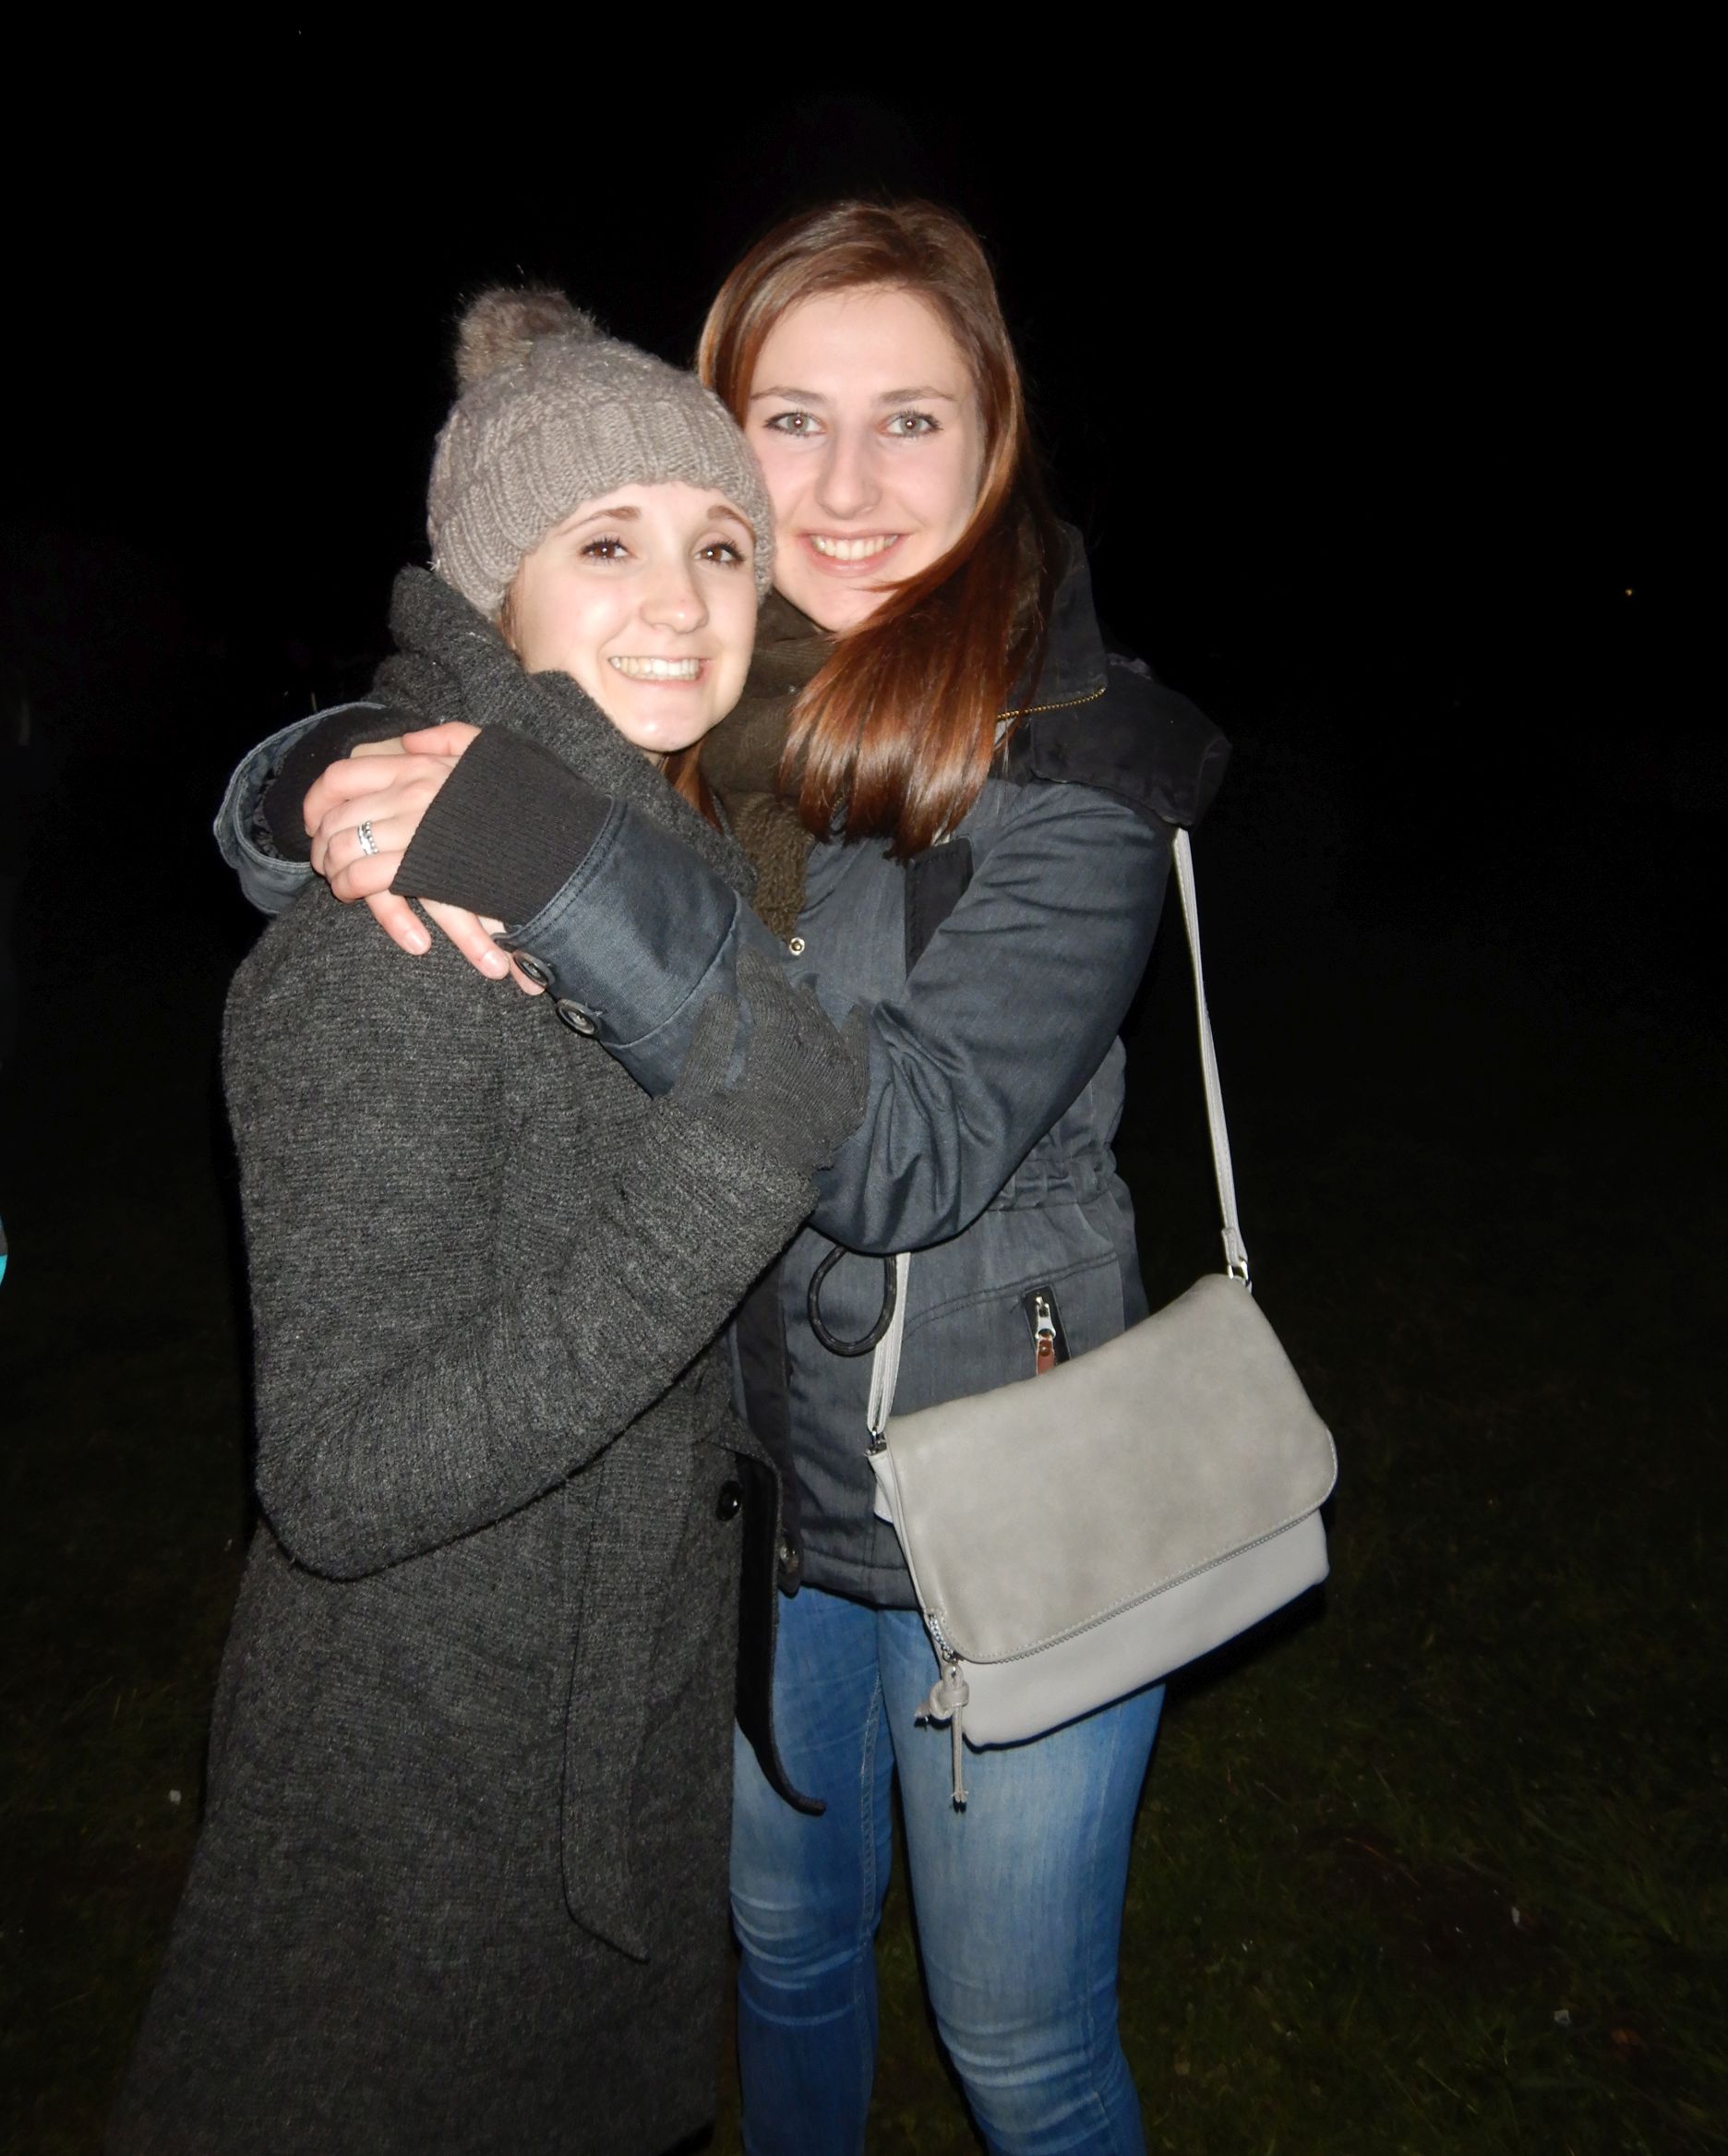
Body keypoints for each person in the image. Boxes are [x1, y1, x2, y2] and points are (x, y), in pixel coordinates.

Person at [215, 204, 1229, 2156]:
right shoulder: (704, 698)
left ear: (994, 439)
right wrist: (305, 787)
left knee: (1020, 2049)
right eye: (789, 422)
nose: (844, 490)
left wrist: (546, 859)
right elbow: (502, 686)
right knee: (780, 1953)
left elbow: (906, 1147)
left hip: (1004, 1493)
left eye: (910, 421)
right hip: (751, 1498)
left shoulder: (1081, 759)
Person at [110, 292, 867, 2156]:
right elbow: (338, 1476)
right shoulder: (390, 947)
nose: (680, 600)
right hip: (425, 1797)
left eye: (718, 545)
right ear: (489, 586)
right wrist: (724, 1182)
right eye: (603, 543)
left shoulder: (673, 862)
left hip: (597, 1761)